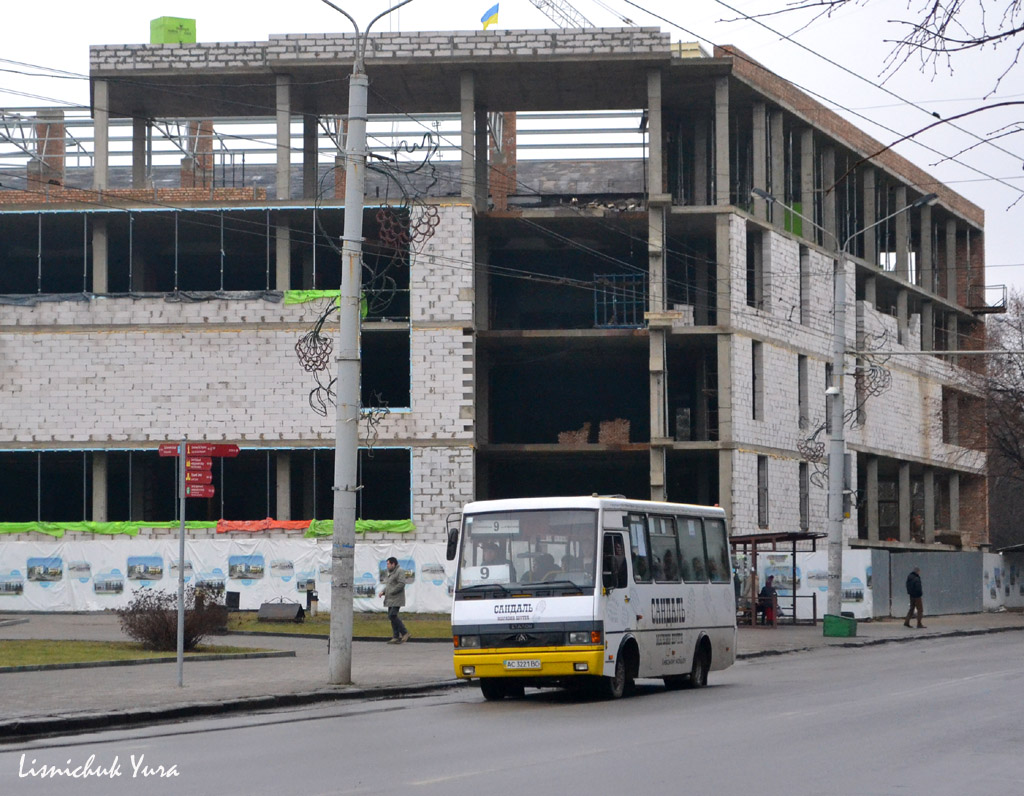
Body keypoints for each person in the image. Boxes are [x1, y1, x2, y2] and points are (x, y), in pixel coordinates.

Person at [379, 556, 410, 644]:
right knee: (391, 616)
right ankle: (396, 636)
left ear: (393, 564)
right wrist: (383, 591)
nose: (387, 566)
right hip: (390, 599)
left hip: (397, 598)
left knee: (393, 615)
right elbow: (389, 585)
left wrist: (392, 591)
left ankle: (405, 632)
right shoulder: (391, 573)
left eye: (388, 564)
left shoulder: (399, 571)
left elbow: (401, 583)